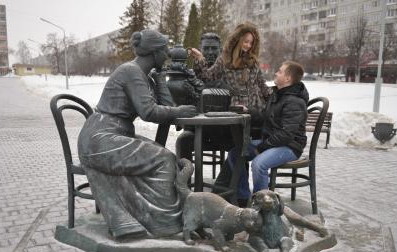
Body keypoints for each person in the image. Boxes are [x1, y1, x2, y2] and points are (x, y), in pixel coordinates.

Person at [77, 29, 197, 238]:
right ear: (155, 52)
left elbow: (165, 108)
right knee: (163, 160)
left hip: (114, 135)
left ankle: (152, 215)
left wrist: (160, 79)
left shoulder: (144, 76)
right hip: (100, 138)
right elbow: (149, 112)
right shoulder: (130, 72)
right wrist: (178, 111)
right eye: (165, 51)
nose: (168, 55)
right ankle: (163, 222)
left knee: (166, 155)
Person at [188, 22, 272, 204]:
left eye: (251, 43)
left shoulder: (252, 61)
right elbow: (206, 76)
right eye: (246, 41)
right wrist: (200, 59)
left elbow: (262, 86)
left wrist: (277, 96)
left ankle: (253, 195)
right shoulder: (224, 60)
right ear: (238, 39)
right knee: (239, 151)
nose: (248, 46)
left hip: (257, 111)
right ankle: (241, 196)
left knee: (243, 152)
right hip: (238, 112)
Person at [228, 61, 309, 206]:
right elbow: (266, 117)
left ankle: (261, 207)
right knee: (235, 154)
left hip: (290, 146)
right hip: (272, 142)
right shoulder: (279, 95)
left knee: (259, 164)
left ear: (288, 78)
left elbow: (286, 134)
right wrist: (248, 111)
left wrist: (263, 147)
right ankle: (243, 197)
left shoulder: (295, 101)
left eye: (280, 71)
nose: (276, 73)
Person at [175, 32, 230, 162]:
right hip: (198, 132)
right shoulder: (191, 75)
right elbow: (184, 104)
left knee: (241, 145)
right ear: (200, 50)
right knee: (183, 140)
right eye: (206, 48)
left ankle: (231, 182)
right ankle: (185, 180)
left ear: (220, 50)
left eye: (214, 48)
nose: (210, 52)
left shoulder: (229, 73)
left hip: (224, 131)